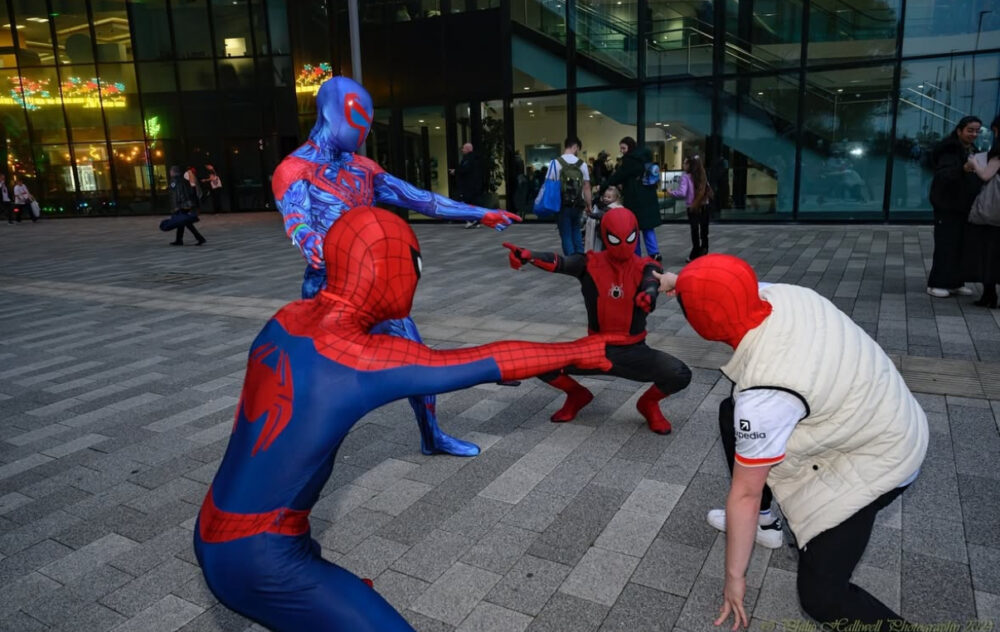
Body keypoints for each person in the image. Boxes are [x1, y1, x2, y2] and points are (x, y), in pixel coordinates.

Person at [194, 206, 613, 632]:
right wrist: (581, 351)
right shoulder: (359, 360)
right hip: (260, 559)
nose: (415, 277)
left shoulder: (287, 318)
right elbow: (487, 360)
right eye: (413, 264)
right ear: (386, 269)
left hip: (217, 525)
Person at [654, 254, 927, 629]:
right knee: (731, 414)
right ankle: (766, 525)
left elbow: (744, 494)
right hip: (874, 407)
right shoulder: (781, 294)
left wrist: (734, 577)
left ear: (704, 326)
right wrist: (679, 281)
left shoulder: (765, 393)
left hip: (883, 455)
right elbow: (726, 286)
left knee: (822, 597)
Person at [272, 76, 520, 458]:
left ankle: (432, 435)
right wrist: (313, 244)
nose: (362, 129)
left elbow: (423, 200)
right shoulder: (294, 170)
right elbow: (299, 222)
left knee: (417, 357)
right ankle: (295, 454)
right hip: (327, 293)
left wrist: (482, 212)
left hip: (373, 290)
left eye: (368, 122)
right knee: (319, 380)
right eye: (356, 118)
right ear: (328, 112)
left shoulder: (364, 169)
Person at [502, 207, 692, 434]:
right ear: (604, 235)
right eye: (615, 238)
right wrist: (529, 255)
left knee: (679, 374)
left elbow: (650, 280)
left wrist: (649, 295)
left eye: (629, 238)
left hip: (634, 351)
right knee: (538, 362)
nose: (622, 244)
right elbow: (560, 262)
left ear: (636, 233)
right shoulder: (589, 263)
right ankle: (577, 394)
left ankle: (648, 403)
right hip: (594, 350)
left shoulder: (647, 266)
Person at [927, 115, 983, 298]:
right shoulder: (949, 150)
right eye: (970, 130)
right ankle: (937, 283)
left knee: (961, 244)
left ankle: (956, 282)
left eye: (977, 131)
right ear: (959, 130)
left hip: (964, 205)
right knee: (946, 244)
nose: (974, 134)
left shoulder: (972, 149)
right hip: (947, 205)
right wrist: (963, 169)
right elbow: (943, 176)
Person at [535, 136, 591, 256]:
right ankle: (580, 258)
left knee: (565, 233)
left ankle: (570, 260)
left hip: (561, 204)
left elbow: (548, 184)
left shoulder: (555, 163)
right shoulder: (582, 164)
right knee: (576, 230)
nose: (577, 152)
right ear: (575, 146)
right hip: (578, 203)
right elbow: (586, 186)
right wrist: (589, 204)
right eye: (577, 149)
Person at [607, 136, 661, 261]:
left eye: (623, 148)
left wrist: (606, 184)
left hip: (635, 200)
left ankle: (636, 254)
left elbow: (619, 176)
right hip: (648, 198)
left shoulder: (630, 160)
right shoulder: (645, 159)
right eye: (621, 148)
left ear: (629, 147)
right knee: (648, 228)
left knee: (633, 228)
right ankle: (654, 252)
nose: (622, 151)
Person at [966, 114, 1000, 308]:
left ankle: (989, 295)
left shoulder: (998, 153)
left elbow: (986, 176)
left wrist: (974, 163)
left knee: (989, 252)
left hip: (994, 214)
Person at [668, 156, 713, 262]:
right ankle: (704, 249)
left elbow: (682, 193)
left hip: (692, 207)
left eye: (685, 163)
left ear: (690, 165)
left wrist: (671, 192)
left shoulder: (686, 177)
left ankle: (695, 253)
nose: (683, 165)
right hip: (704, 205)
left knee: (694, 230)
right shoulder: (703, 175)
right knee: (704, 230)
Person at [168, 165, 206, 246]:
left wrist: (175, 207)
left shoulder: (174, 181)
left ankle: (199, 238)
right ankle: (179, 240)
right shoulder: (183, 179)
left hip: (181, 205)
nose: (169, 173)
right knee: (181, 221)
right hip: (186, 203)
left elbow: (175, 195)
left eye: (170, 171)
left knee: (186, 222)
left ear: (173, 172)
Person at [450, 143, 484, 228]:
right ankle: (476, 220)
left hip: (468, 186)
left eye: (464, 149)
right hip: (475, 185)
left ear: (468, 149)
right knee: (475, 202)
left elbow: (465, 169)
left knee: (468, 202)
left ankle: (471, 220)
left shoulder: (468, 159)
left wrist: (455, 171)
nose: (462, 150)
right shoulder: (477, 158)